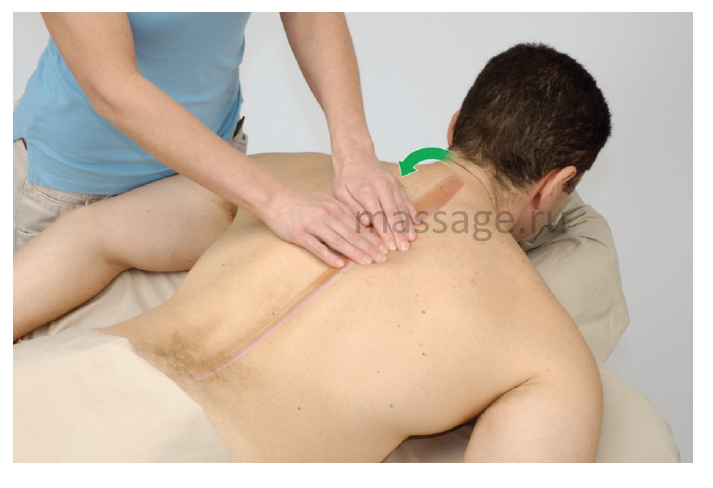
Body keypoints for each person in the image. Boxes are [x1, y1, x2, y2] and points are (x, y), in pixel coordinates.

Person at [15, 43, 608, 462]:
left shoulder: (281, 181)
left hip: (54, 378)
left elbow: (92, 235)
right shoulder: (551, 354)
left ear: (455, 127)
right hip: (184, 459)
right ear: (556, 184)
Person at [13, 13, 417, 270]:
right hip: (75, 187)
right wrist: (275, 199)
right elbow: (113, 88)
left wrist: (355, 152)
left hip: (213, 178)